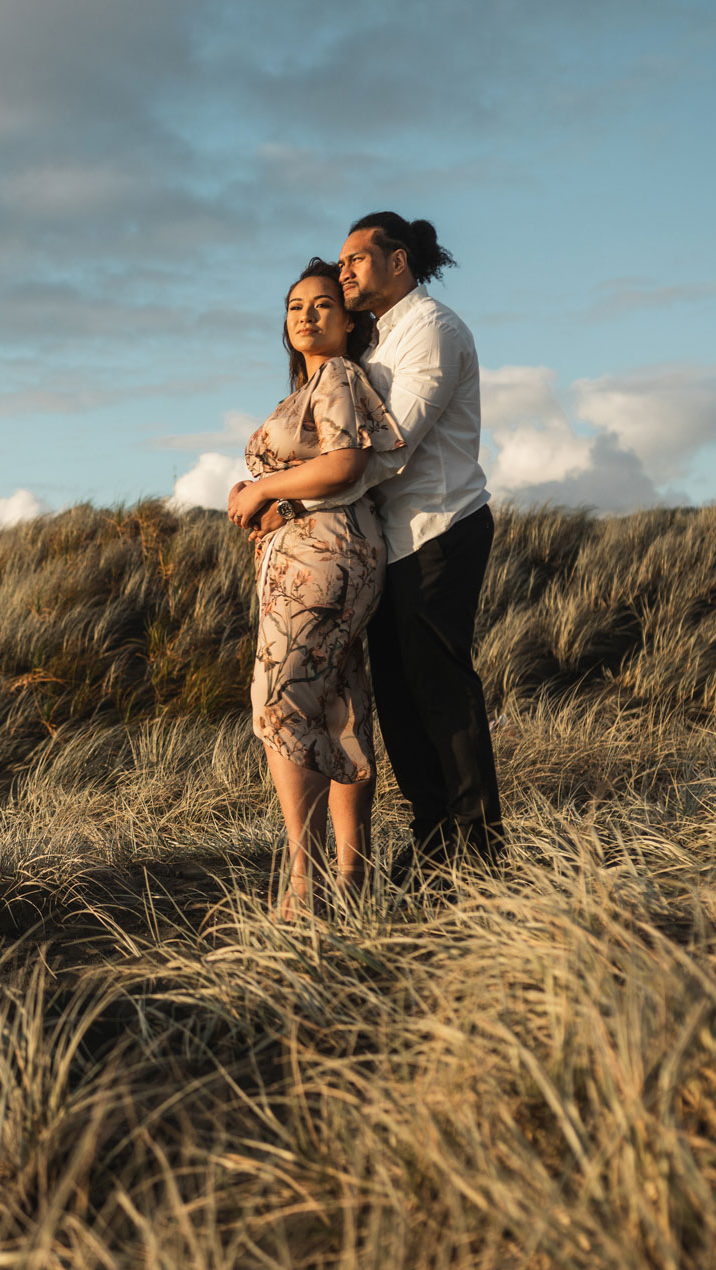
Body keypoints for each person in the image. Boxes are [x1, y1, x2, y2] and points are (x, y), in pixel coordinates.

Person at [226, 258, 406, 918]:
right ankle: (350, 886)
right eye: (295, 305)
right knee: (339, 705)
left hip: (324, 556)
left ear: (350, 321)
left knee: (281, 703)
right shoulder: (307, 390)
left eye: (324, 304)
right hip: (323, 550)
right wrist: (265, 499)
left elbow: (344, 462)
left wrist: (263, 488)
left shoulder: (336, 375)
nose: (306, 313)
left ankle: (304, 888)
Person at [336, 211, 503, 879]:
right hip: (394, 542)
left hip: (442, 528)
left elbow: (394, 444)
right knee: (400, 701)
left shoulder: (433, 329)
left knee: (440, 690)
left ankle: (478, 846)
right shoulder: (376, 342)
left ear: (398, 260)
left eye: (356, 258)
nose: (344, 269)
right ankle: (436, 837)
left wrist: (301, 493)